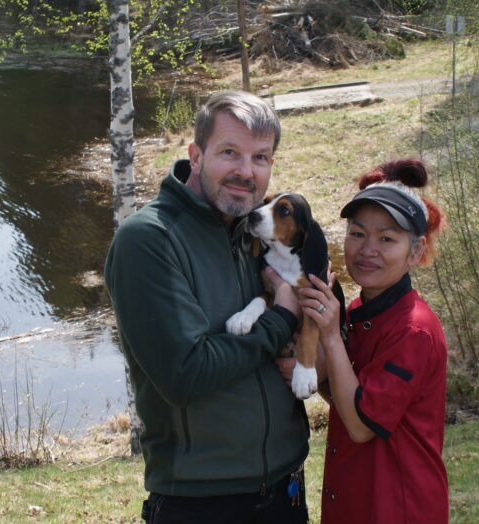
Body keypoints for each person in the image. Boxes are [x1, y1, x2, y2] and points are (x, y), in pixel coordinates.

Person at [103, 90, 309, 523]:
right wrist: (281, 318)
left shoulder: (255, 235)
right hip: (203, 502)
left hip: (286, 489)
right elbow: (186, 373)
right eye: (229, 153)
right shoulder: (150, 240)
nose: (245, 172)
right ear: (195, 155)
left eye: (261, 158)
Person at [296, 158, 449, 523]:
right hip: (355, 501)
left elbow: (362, 426)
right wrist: (315, 369)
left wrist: (331, 337)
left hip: (397, 507)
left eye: (387, 239)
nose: (367, 249)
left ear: (415, 252)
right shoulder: (360, 311)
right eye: (357, 233)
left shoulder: (413, 330)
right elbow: (347, 399)